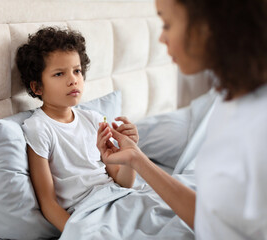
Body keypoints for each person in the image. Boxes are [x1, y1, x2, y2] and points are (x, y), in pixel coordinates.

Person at [97, 0, 267, 239]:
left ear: (206, 27)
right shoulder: (226, 99)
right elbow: (210, 218)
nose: (161, 38)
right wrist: (136, 158)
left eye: (167, 24)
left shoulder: (258, 126)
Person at [15, 27, 138, 233]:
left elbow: (124, 181)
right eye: (59, 73)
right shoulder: (39, 128)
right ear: (37, 88)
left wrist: (131, 153)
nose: (73, 79)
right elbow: (48, 203)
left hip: (118, 197)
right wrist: (76, 234)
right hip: (88, 213)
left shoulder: (93, 119)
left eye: (77, 70)